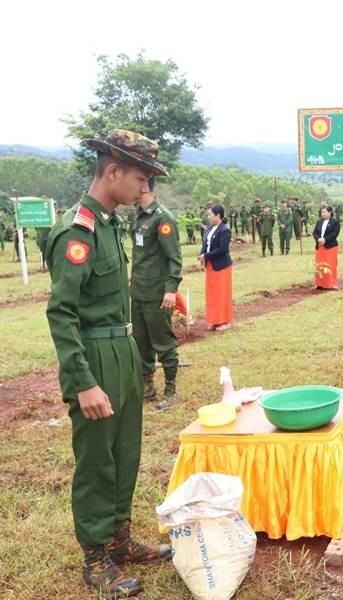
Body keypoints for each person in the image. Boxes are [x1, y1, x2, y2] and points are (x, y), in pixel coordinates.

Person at [45, 129, 172, 598]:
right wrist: (83, 382)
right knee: (98, 460)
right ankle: (97, 557)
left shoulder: (110, 225)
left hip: (122, 350)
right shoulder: (77, 231)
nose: (144, 188)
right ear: (113, 171)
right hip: (93, 358)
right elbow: (62, 313)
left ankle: (120, 538)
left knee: (126, 453)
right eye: (140, 178)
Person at [130, 177, 183, 410]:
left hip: (157, 294)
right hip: (138, 291)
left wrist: (170, 290)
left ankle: (171, 391)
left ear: (144, 187)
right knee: (140, 342)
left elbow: (174, 258)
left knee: (163, 341)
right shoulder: (139, 216)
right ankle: (148, 387)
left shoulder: (162, 218)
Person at [198, 204, 233, 331]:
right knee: (212, 294)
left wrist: (206, 256)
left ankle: (225, 321)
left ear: (218, 215)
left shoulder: (225, 230)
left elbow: (222, 249)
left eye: (210, 214)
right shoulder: (210, 228)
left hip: (221, 266)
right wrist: (200, 258)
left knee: (222, 294)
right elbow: (205, 245)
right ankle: (214, 320)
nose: (208, 217)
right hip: (211, 266)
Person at [312, 206, 340, 289]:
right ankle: (319, 283)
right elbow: (315, 232)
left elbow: (335, 233)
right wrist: (318, 239)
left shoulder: (335, 222)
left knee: (331, 265)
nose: (323, 214)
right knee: (319, 265)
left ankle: (331, 283)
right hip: (320, 246)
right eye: (322, 212)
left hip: (330, 246)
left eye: (324, 212)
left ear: (329, 212)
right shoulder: (319, 221)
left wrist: (325, 239)